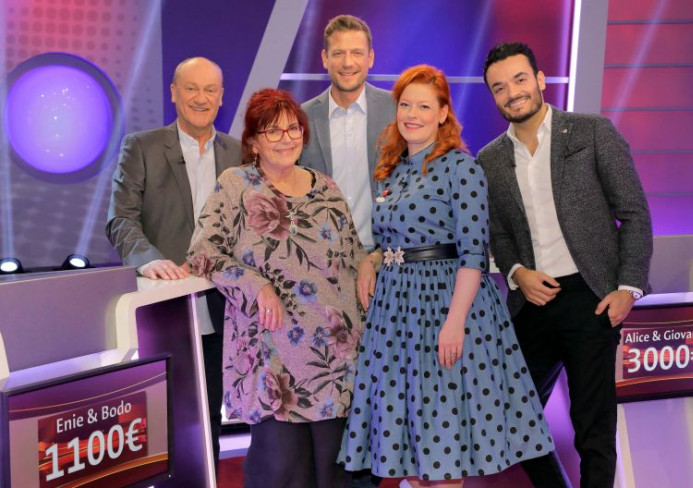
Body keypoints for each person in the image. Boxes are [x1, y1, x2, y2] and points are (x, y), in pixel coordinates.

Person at [339, 64, 554, 488]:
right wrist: (372, 260)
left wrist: (454, 323)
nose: (412, 114)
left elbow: (474, 254)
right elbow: (392, 240)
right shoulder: (392, 169)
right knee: (410, 453)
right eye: (405, 105)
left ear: (442, 114)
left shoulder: (462, 168)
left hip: (445, 309)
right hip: (396, 317)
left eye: (424, 106)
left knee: (444, 451)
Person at [477, 42, 653, 488]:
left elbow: (633, 212)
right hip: (531, 301)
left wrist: (628, 288)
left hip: (591, 298)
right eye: (500, 87)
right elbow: (498, 234)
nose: (512, 92)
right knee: (510, 417)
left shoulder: (592, 132)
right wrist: (516, 273)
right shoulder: (489, 158)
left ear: (540, 79)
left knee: (594, 429)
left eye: (520, 79)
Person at [187, 88, 366, 488]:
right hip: (271, 354)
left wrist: (370, 263)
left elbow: (353, 255)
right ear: (253, 141)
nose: (286, 138)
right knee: (282, 471)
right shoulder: (235, 185)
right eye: (272, 131)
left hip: (334, 356)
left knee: (334, 473)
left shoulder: (327, 189)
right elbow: (203, 253)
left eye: (293, 129)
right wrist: (255, 286)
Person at [106, 57, 241, 468]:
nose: (201, 98)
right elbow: (121, 220)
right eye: (191, 88)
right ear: (173, 92)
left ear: (221, 97)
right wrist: (150, 261)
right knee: (163, 418)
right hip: (163, 308)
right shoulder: (141, 147)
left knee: (210, 415)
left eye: (210, 90)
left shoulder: (239, 152)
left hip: (224, 309)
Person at [301, 14, 396, 251]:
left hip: (385, 257)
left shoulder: (397, 110)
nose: (347, 62)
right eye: (338, 53)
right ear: (325, 58)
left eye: (356, 53)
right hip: (322, 257)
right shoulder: (301, 117)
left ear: (370, 58)